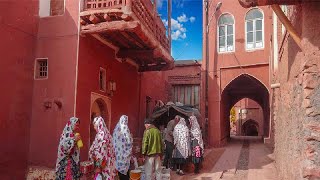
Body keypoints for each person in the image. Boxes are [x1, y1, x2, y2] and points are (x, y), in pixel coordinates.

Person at [112, 115, 133, 180]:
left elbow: (114, 141)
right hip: (124, 155)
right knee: (125, 174)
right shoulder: (125, 128)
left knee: (119, 173)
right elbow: (129, 141)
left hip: (117, 155)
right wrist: (131, 137)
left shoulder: (116, 129)